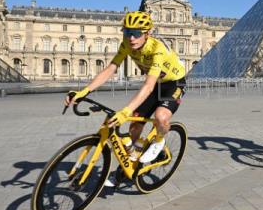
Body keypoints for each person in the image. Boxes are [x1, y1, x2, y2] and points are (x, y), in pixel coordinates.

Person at [65, 11, 186, 168]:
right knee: (134, 125)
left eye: (136, 33)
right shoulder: (126, 44)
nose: (131, 38)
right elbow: (110, 69)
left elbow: (148, 86)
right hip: (156, 84)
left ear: (147, 33)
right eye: (127, 32)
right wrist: (84, 91)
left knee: (160, 117)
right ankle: (129, 166)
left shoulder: (157, 49)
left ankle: (159, 141)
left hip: (174, 83)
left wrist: (125, 111)